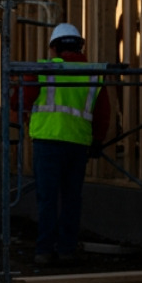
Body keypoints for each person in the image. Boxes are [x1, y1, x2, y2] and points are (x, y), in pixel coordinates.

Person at [22, 23, 111, 266]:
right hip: (78, 145)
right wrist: (97, 140)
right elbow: (103, 113)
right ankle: (66, 250)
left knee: (47, 199)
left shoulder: (43, 70)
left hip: (47, 142)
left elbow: (23, 101)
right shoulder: (94, 73)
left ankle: (44, 251)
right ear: (80, 46)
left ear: (54, 47)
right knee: (71, 199)